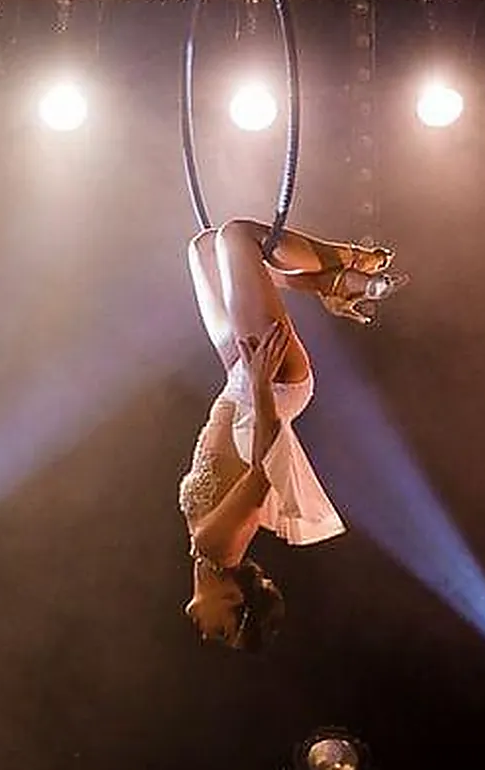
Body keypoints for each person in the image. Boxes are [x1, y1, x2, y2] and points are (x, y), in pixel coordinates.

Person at [179, 218, 408, 651]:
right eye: (224, 629)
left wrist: (250, 383)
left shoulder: (207, 549)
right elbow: (262, 473)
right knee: (237, 238)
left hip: (240, 379)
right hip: (270, 384)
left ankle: (332, 283)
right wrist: (263, 386)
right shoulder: (216, 544)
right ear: (235, 599)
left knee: (205, 248)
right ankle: (353, 261)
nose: (207, 634)